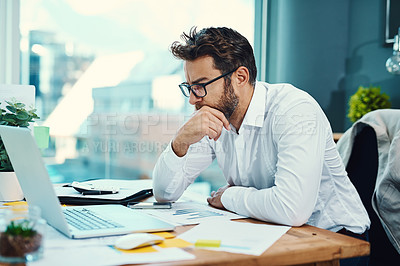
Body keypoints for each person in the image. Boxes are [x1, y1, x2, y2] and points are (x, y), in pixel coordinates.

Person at [152, 27, 370, 236]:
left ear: (240, 77)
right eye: (189, 88)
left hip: (335, 237)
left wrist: (229, 196)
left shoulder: (294, 110)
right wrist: (179, 142)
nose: (192, 99)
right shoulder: (214, 116)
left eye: (200, 86)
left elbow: (291, 208)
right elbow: (164, 194)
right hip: (271, 231)